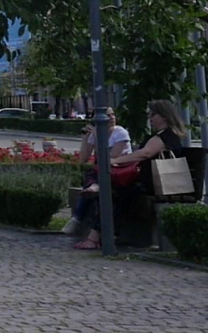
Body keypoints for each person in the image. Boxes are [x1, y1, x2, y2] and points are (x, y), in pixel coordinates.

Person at [73, 100, 188, 250]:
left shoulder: (166, 136)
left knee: (107, 192)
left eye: (152, 115)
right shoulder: (164, 135)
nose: (150, 118)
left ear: (164, 116)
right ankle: (98, 235)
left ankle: (94, 236)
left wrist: (115, 160)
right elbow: (83, 158)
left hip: (153, 184)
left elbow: (143, 154)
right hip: (151, 181)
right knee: (104, 188)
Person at [64, 108, 133, 234]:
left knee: (93, 177)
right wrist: (85, 138)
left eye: (113, 114)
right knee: (92, 182)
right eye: (107, 115)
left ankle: (77, 217)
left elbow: (111, 157)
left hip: (120, 170)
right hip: (100, 171)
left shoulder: (121, 133)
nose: (112, 117)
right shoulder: (95, 134)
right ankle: (78, 218)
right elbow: (83, 159)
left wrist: (98, 137)